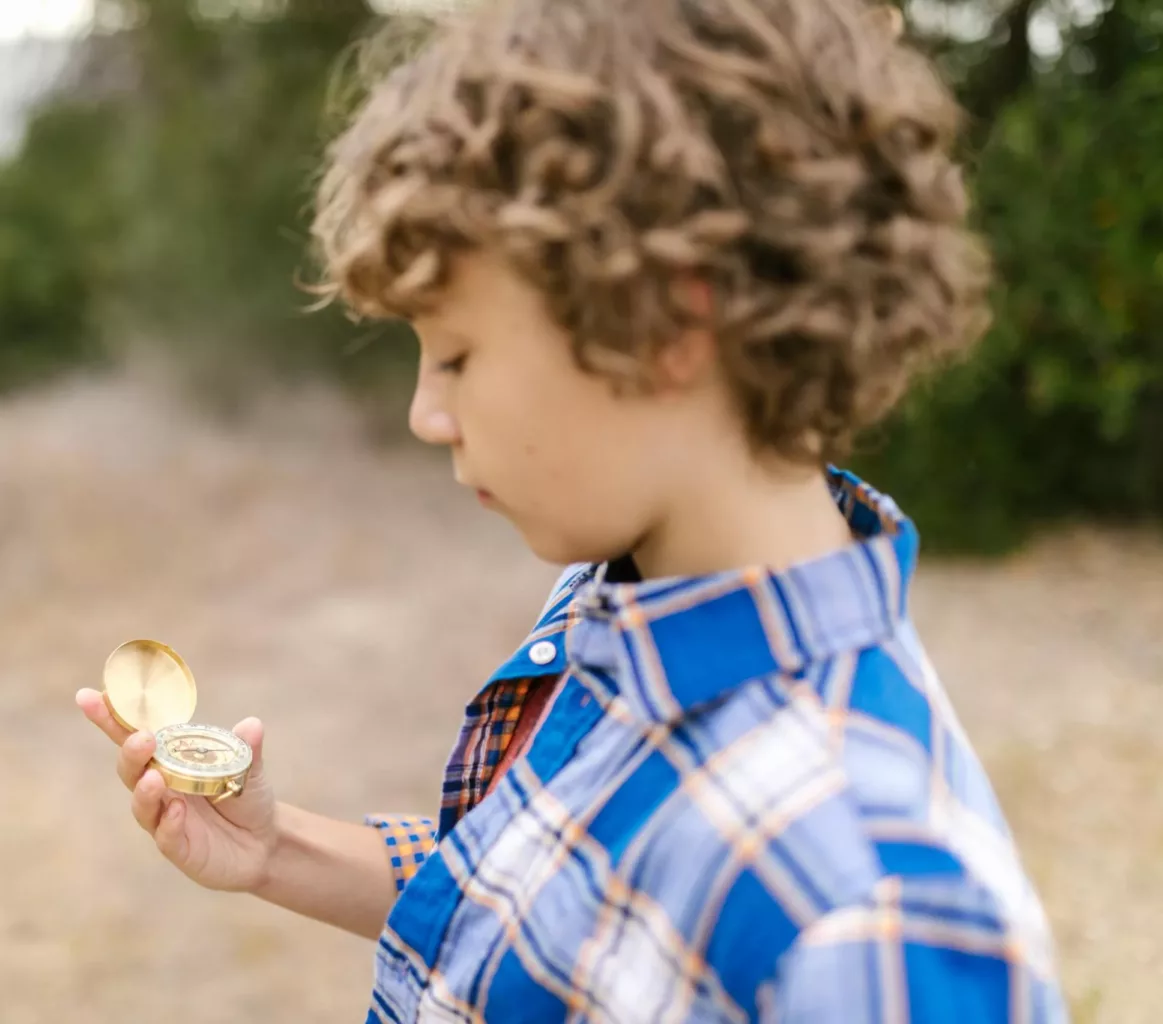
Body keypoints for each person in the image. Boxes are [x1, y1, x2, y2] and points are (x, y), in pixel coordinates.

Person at [77, 0, 1069, 1020]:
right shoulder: (624, 596)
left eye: (457, 353)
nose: (426, 413)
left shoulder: (876, 915)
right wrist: (276, 847)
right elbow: (537, 904)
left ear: (666, 324)